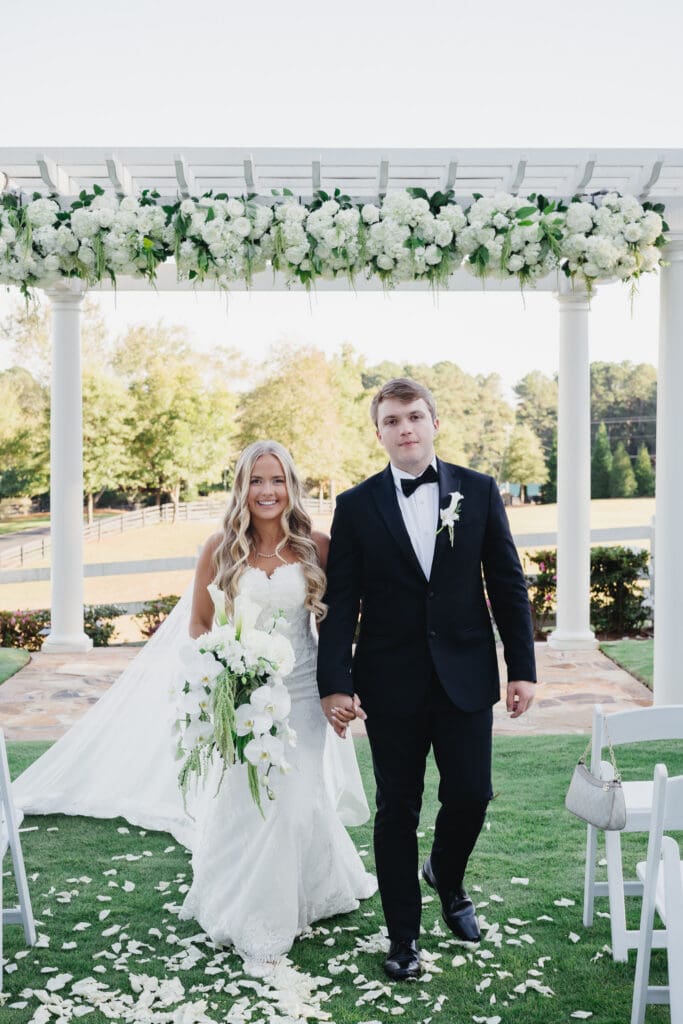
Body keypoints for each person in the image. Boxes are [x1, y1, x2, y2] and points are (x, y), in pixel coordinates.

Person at [13, 440, 376, 966]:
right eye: (256, 481)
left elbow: (337, 626)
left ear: (291, 485)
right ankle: (249, 906)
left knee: (295, 801)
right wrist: (227, 674)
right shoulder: (220, 548)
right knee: (247, 800)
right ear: (241, 488)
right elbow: (201, 626)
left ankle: (287, 905)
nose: (267, 491)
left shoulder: (316, 547)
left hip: (298, 694)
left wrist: (341, 687)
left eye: (276, 480)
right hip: (242, 697)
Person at [317, 378, 536, 981]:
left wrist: (523, 668)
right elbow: (342, 600)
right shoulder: (356, 506)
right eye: (392, 420)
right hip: (389, 683)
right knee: (397, 811)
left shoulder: (480, 490)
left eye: (415, 416)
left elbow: (508, 585)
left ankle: (446, 874)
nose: (405, 428)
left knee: (470, 794)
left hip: (466, 675)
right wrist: (335, 682)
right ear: (379, 432)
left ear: (435, 422)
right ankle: (404, 939)